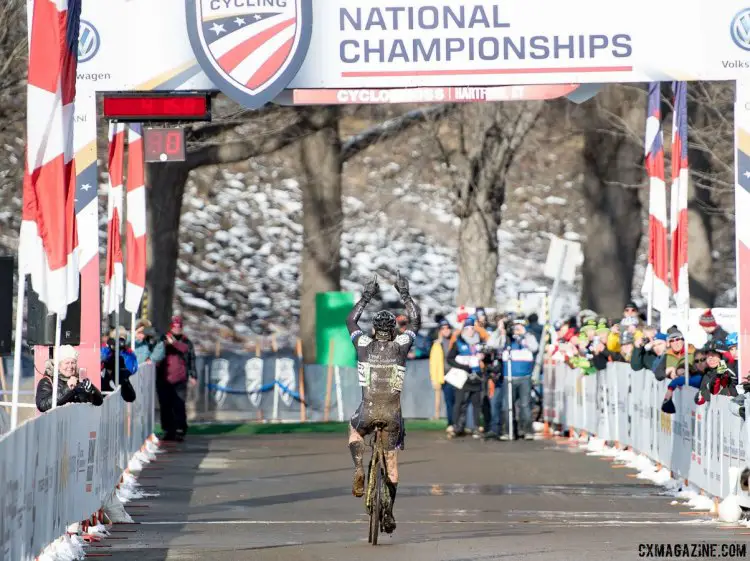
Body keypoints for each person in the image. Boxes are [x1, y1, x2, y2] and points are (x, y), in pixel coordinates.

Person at [346, 272, 420, 535]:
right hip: (392, 414)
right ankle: (388, 511)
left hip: (367, 409)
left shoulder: (364, 344)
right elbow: (415, 320)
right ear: (393, 331)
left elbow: (350, 320)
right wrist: (404, 293)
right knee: (391, 460)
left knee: (355, 430)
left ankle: (358, 466)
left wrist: (367, 295)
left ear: (376, 330)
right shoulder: (401, 344)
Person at [157, 316, 197, 441]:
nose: (177, 328)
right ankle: (168, 430)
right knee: (165, 406)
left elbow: (189, 355)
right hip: (164, 379)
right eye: (175, 326)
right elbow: (156, 353)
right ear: (171, 327)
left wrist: (193, 375)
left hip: (180, 379)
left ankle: (180, 429)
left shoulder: (186, 342)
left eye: (179, 326)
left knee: (179, 404)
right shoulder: (163, 339)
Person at [446, 317, 485, 439]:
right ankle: (456, 427)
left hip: (477, 376)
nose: (470, 331)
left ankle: (476, 427)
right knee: (459, 403)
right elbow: (450, 359)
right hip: (463, 378)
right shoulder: (459, 342)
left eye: (472, 328)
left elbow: (487, 356)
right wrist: (463, 366)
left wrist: (483, 356)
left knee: (476, 404)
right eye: (467, 328)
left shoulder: (480, 342)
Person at [501, 319, 539, 440]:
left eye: (519, 326)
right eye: (515, 327)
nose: (517, 329)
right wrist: (500, 330)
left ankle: (527, 430)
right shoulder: (507, 339)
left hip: (525, 377)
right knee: (508, 406)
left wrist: (524, 334)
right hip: (509, 377)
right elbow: (493, 344)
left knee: (525, 405)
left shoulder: (528, 337)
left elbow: (535, 347)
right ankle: (509, 431)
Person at [36, 345, 103, 412]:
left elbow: (99, 402)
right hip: (59, 421)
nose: (70, 366)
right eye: (67, 363)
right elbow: (42, 405)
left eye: (73, 363)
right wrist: (67, 388)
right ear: (58, 365)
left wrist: (92, 390)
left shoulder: (79, 379)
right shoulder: (48, 381)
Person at [429, 319, 456, 432]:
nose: (446, 330)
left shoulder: (455, 341)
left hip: (458, 374)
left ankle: (460, 424)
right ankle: (451, 423)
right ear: (440, 330)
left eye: (447, 328)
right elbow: (433, 363)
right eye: (443, 328)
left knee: (460, 402)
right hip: (445, 376)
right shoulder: (437, 344)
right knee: (449, 401)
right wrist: (434, 379)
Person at [101, 327, 139, 402]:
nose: (120, 342)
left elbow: (132, 368)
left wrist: (123, 371)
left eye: (123, 339)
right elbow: (101, 360)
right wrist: (110, 349)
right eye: (118, 338)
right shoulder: (107, 350)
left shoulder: (128, 353)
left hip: (121, 384)